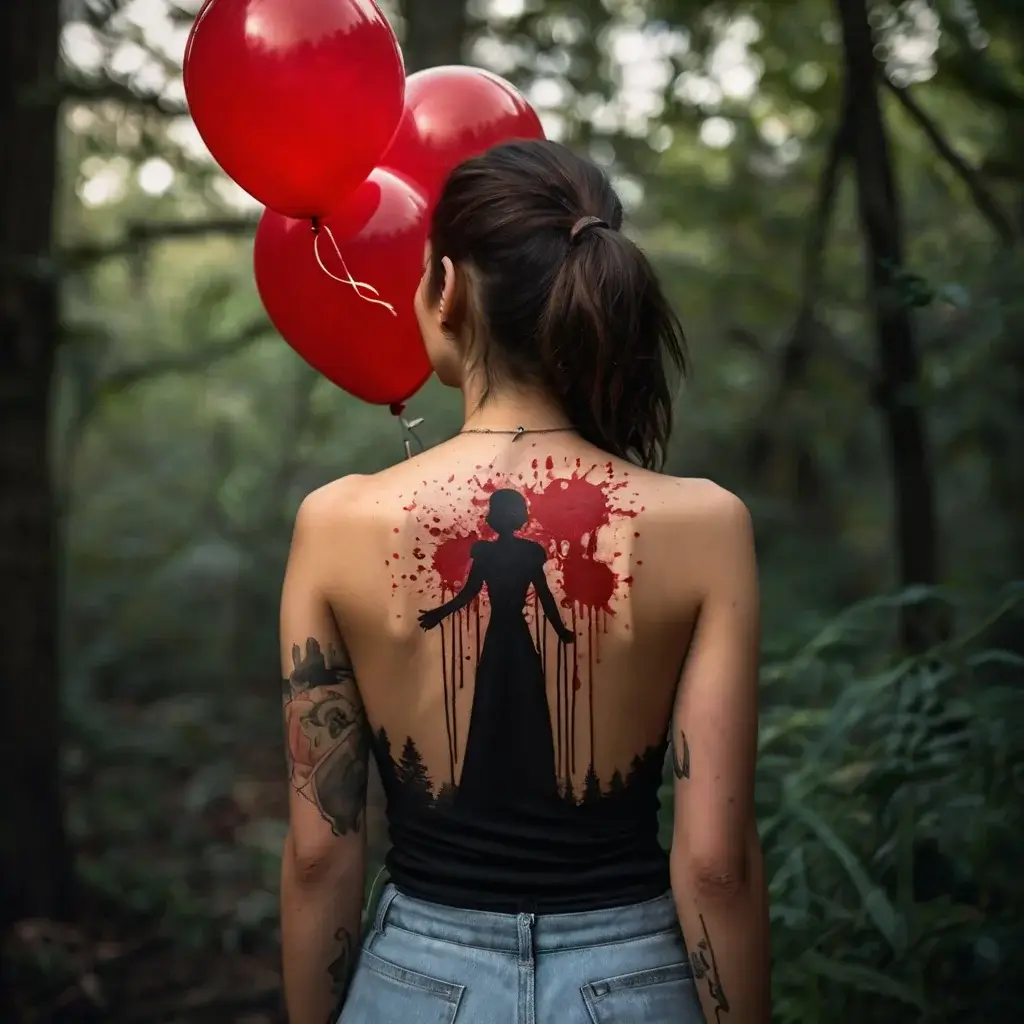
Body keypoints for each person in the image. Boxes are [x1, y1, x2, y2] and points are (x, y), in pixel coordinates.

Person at [278, 139, 770, 1024]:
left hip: (418, 982)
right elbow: (714, 867)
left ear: (449, 290)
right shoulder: (705, 524)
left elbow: (322, 851)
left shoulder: (337, 524)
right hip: (635, 981)